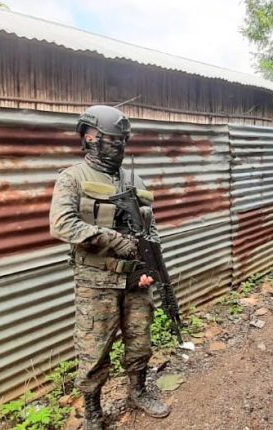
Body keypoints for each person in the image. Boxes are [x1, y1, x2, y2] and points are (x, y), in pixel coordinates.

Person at [49, 105, 170, 430]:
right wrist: (112, 239)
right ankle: (93, 412)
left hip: (135, 280)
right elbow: (61, 225)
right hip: (96, 282)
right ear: (90, 137)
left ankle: (138, 391)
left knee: (140, 340)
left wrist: (151, 268)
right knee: (93, 349)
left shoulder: (135, 179)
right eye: (112, 139)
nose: (119, 146)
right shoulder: (72, 177)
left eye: (123, 140)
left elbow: (150, 229)